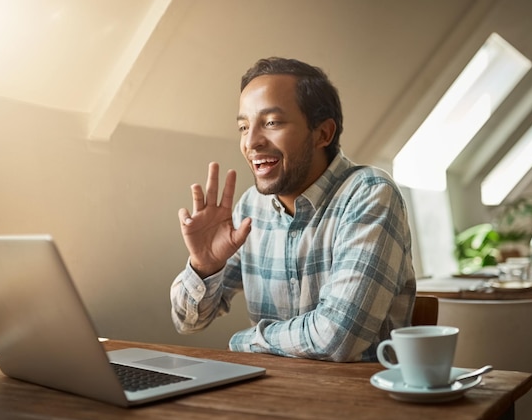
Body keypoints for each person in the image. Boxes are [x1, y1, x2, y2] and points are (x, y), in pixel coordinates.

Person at [170, 57, 416, 362]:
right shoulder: (251, 207)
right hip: (272, 395)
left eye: (271, 123)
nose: (252, 142)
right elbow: (188, 322)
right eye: (244, 127)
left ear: (323, 134)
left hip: (361, 401)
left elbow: (338, 338)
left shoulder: (369, 194)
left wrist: (245, 341)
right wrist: (204, 266)